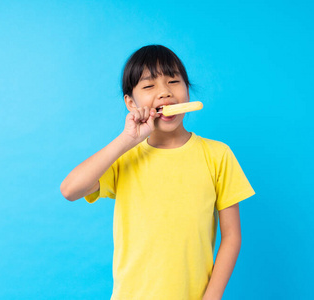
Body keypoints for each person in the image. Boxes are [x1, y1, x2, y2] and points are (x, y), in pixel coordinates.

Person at [60, 44, 255, 300]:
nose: (165, 93)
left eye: (174, 81)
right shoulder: (124, 158)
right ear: (131, 102)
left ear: (187, 90)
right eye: (149, 86)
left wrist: (211, 297)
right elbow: (70, 190)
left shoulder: (218, 155)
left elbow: (232, 237)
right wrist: (126, 140)